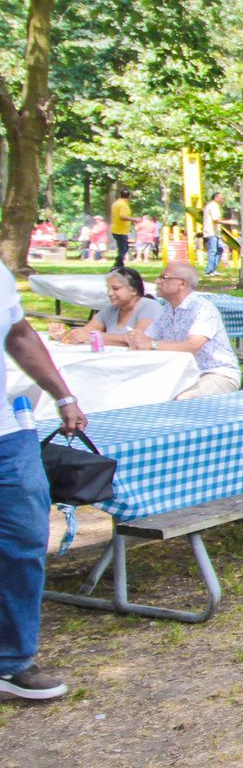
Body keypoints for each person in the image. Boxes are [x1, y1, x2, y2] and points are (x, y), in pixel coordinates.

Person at [3, 269, 87, 701]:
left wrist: (63, 394)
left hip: (6, 432)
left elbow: (17, 332)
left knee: (24, 540)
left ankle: (11, 661)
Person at [127, 262, 241, 398]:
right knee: (139, 392)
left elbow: (193, 345)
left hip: (216, 374)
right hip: (181, 373)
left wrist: (151, 344)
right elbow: (148, 338)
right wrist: (138, 339)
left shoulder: (202, 308)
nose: (157, 281)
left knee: (183, 399)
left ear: (182, 284)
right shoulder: (167, 310)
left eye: (164, 277)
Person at [48, 268, 161, 346]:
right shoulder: (109, 310)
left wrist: (94, 337)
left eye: (115, 288)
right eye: (108, 288)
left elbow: (138, 340)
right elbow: (85, 333)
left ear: (134, 290)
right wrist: (64, 335)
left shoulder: (149, 307)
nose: (110, 293)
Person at [202, 193, 230, 274]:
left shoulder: (215, 206)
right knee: (213, 251)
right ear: (216, 197)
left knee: (220, 249)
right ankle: (209, 271)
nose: (223, 200)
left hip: (216, 233)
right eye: (222, 198)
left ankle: (213, 269)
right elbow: (216, 220)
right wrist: (229, 222)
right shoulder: (212, 206)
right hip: (211, 232)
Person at [109, 188, 134, 269]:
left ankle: (119, 264)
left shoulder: (116, 203)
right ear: (129, 196)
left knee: (123, 248)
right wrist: (135, 219)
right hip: (120, 230)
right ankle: (117, 264)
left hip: (116, 228)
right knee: (123, 248)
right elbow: (122, 216)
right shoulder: (123, 205)